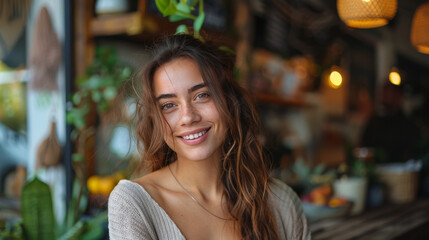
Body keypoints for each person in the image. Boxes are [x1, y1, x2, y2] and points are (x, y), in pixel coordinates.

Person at [108, 34, 310, 240]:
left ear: (229, 102)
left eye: (202, 95)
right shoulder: (134, 205)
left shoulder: (281, 204)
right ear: (156, 120)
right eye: (169, 105)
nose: (187, 117)